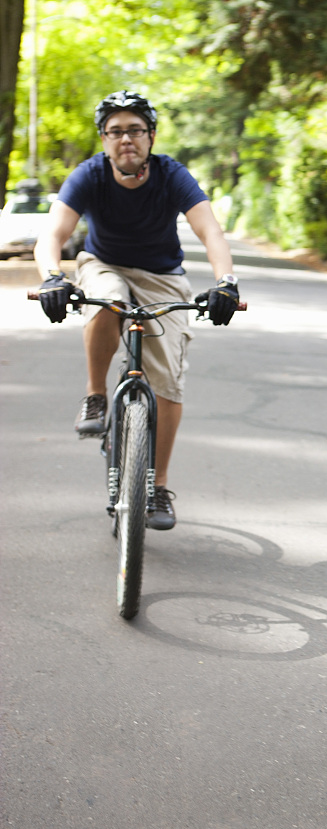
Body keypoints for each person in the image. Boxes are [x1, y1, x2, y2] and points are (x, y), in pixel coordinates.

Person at [33, 89, 241, 531]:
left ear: (151, 137)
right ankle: (95, 396)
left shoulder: (172, 175)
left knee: (167, 385)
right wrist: (52, 275)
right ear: (103, 139)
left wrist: (226, 282)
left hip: (162, 274)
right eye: (115, 132)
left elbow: (210, 231)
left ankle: (158, 485)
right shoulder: (89, 175)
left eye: (135, 131)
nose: (125, 139)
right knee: (108, 300)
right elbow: (52, 234)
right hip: (103, 263)